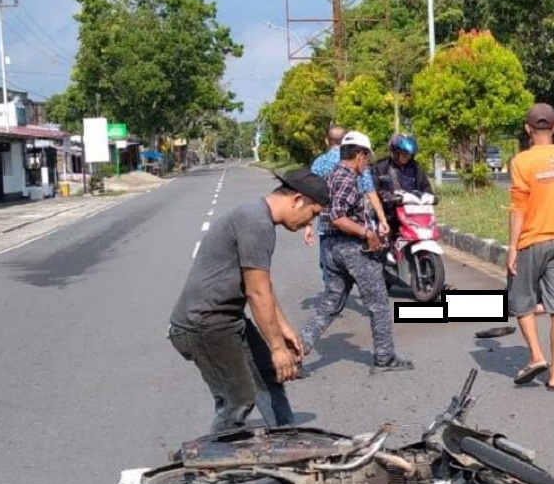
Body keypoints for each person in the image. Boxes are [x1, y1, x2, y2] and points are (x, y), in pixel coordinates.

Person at [167, 169, 329, 433]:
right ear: (298, 200)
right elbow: (257, 293)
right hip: (203, 325)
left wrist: (284, 328)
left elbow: (261, 285)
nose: (309, 222)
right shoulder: (257, 223)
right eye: (313, 213)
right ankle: (215, 455)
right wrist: (277, 348)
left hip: (226, 319)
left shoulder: (258, 216)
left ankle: (287, 439)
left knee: (268, 375)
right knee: (237, 401)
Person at [299, 132, 414, 372]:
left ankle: (296, 350)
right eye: (367, 157)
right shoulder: (347, 178)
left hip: (330, 248)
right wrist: (366, 233)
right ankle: (385, 357)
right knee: (378, 303)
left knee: (331, 302)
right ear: (359, 155)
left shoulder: (332, 175)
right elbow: (338, 216)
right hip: (351, 248)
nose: (368, 163)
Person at [508, 103, 554, 392]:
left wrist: (512, 247)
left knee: (522, 301)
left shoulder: (521, 162)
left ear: (527, 129)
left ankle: (537, 356)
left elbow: (518, 208)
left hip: (531, 240)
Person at [304, 125, 389, 281]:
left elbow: (312, 195)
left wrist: (308, 225)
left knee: (331, 274)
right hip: (355, 229)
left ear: (326, 141)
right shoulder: (357, 160)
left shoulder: (319, 163)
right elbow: (371, 192)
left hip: (327, 229)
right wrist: (382, 220)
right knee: (368, 275)